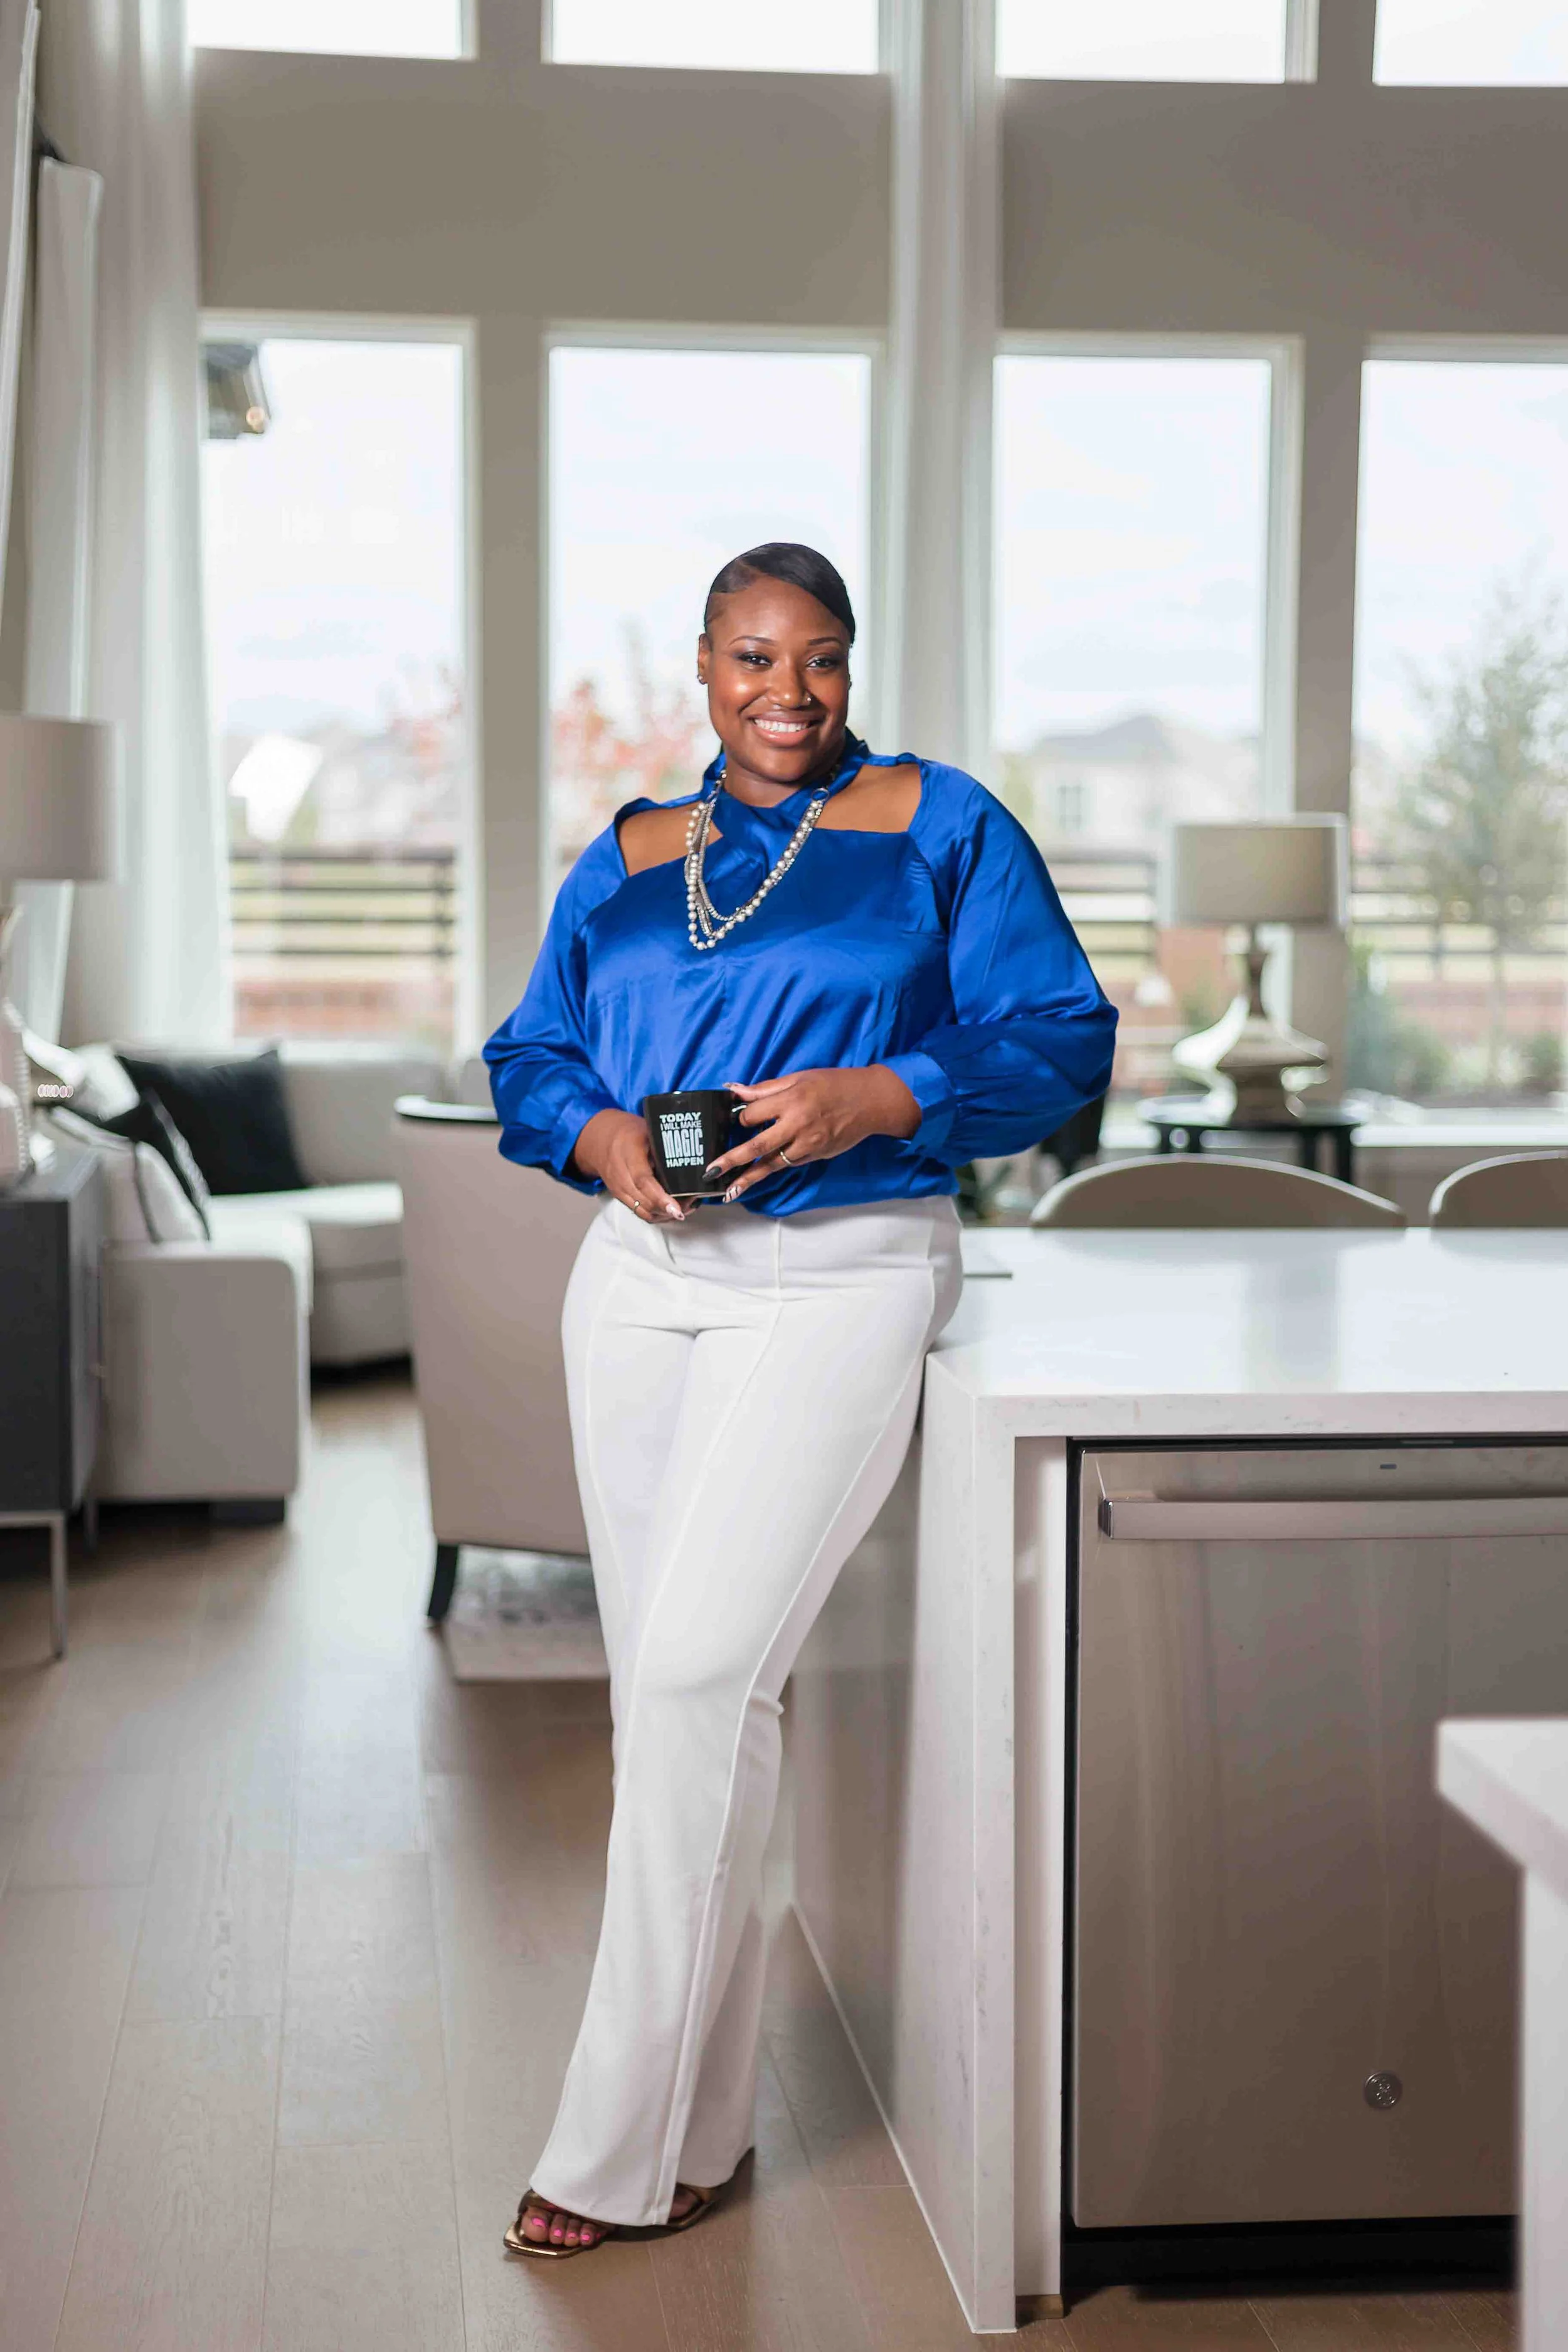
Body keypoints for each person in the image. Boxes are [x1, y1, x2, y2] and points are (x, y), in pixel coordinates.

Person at [484, 541, 1116, 2257]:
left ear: (852, 667)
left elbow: (1061, 1035)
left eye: (819, 659)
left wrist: (880, 1091)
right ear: (700, 667)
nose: (788, 693)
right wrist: (598, 1133)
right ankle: (701, 2129)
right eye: (753, 658)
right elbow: (530, 1051)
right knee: (682, 1704)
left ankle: (611, 2147)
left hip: (841, 1276)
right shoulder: (624, 853)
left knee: (697, 1675)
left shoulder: (938, 823)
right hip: (633, 1290)